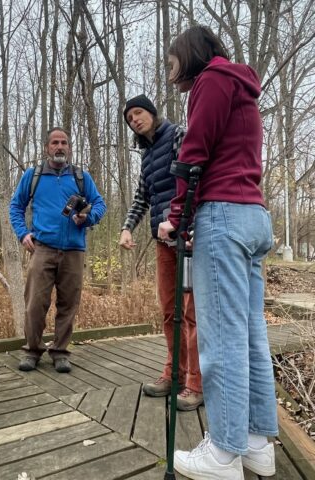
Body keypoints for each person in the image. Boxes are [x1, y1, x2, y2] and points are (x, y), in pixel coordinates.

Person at [158, 25, 277, 480]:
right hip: (254, 216)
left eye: (172, 63)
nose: (172, 74)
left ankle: (224, 453)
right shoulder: (242, 86)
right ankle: (255, 442)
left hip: (223, 217)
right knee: (248, 334)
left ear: (189, 54)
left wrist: (178, 217)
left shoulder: (212, 80)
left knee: (220, 336)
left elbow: (194, 153)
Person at [120, 94, 203, 411]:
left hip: (187, 236)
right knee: (169, 311)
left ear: (152, 113)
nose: (135, 120)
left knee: (192, 313)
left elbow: (194, 178)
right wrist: (128, 226)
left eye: (138, 113)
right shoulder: (146, 154)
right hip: (162, 242)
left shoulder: (177, 135)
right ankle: (175, 374)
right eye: (129, 119)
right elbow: (143, 196)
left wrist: (188, 223)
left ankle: (196, 382)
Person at [10, 127, 106, 374]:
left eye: (64, 142)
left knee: (68, 304)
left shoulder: (81, 177)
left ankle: (60, 352)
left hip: (74, 250)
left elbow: (99, 204)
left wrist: (87, 218)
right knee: (34, 303)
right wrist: (23, 233)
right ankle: (32, 350)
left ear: (69, 147)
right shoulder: (34, 175)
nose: (60, 146)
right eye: (55, 142)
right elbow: (16, 206)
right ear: (47, 147)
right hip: (42, 248)